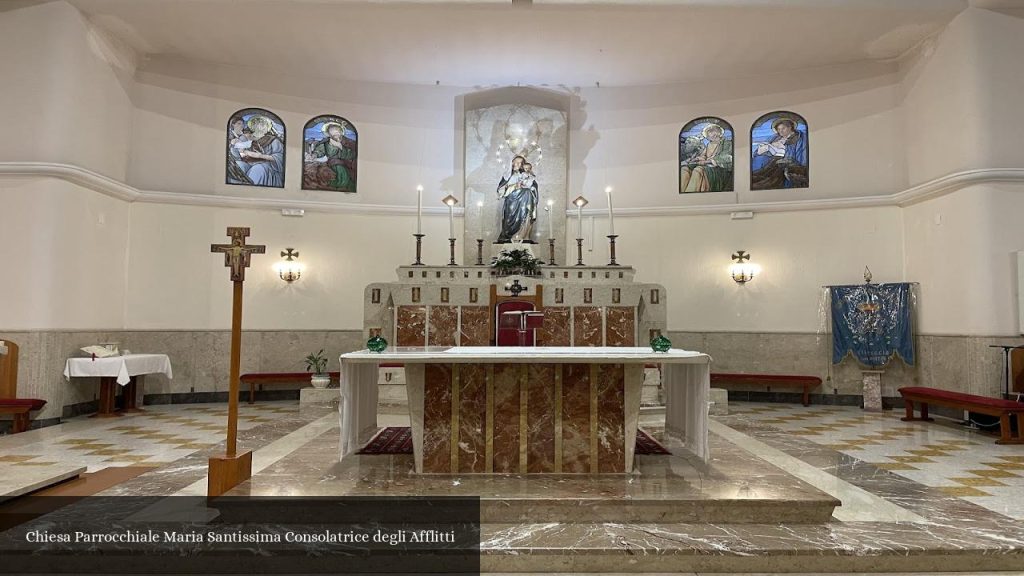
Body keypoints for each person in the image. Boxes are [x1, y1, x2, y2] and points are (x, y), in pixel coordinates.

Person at [751, 117, 808, 190]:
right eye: (778, 129)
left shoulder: (799, 137)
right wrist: (764, 149)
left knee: (772, 175)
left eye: (783, 128)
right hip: (773, 160)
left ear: (790, 127)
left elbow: (800, 154)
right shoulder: (776, 137)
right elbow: (761, 150)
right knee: (760, 169)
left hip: (788, 162)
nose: (780, 131)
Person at [495, 155, 539, 243]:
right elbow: (500, 190)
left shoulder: (528, 176)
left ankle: (523, 235)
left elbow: (534, 188)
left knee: (527, 194)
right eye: (515, 162)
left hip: (525, 201)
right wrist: (514, 186)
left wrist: (529, 188)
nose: (517, 164)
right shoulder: (507, 176)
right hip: (512, 201)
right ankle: (509, 235)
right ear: (512, 163)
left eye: (520, 163)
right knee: (509, 219)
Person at [679, 123, 733, 193]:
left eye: (710, 132)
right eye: (708, 133)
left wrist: (707, 162)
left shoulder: (727, 143)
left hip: (719, 170)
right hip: (706, 166)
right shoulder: (709, 144)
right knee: (685, 168)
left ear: (717, 133)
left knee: (698, 170)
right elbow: (703, 156)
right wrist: (697, 159)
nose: (708, 135)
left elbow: (727, 158)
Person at [305, 121, 356, 191]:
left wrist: (341, 147)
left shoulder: (348, 142)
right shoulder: (326, 142)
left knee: (342, 173)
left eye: (337, 131)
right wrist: (314, 155)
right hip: (330, 163)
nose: (336, 133)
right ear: (329, 133)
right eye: (332, 132)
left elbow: (351, 154)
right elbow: (320, 151)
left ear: (341, 132)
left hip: (345, 164)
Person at [238, 115, 285, 187]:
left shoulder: (273, 140)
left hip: (267, 166)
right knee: (239, 165)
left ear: (266, 127)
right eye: (256, 124)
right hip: (250, 162)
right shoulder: (249, 138)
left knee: (258, 169)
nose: (259, 126)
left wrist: (260, 156)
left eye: (262, 124)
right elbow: (240, 151)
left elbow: (281, 157)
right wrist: (243, 151)